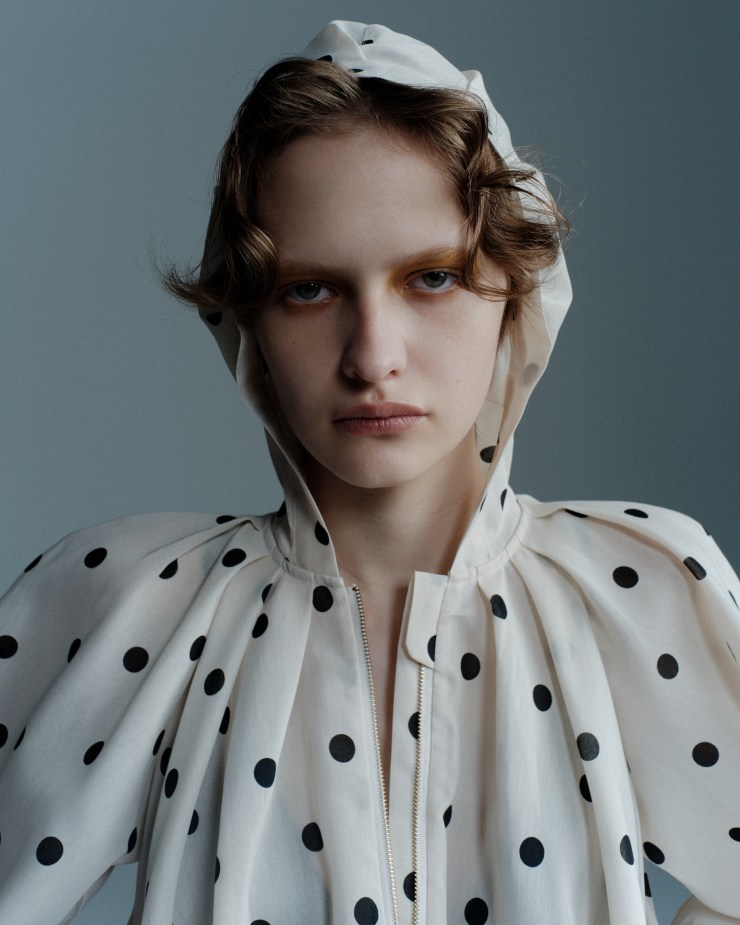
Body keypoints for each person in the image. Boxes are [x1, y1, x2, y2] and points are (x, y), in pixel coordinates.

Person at [0, 20, 737, 925]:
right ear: (250, 325)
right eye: (309, 288)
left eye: (432, 277)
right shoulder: (130, 603)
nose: (372, 356)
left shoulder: (641, 587)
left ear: (517, 292)